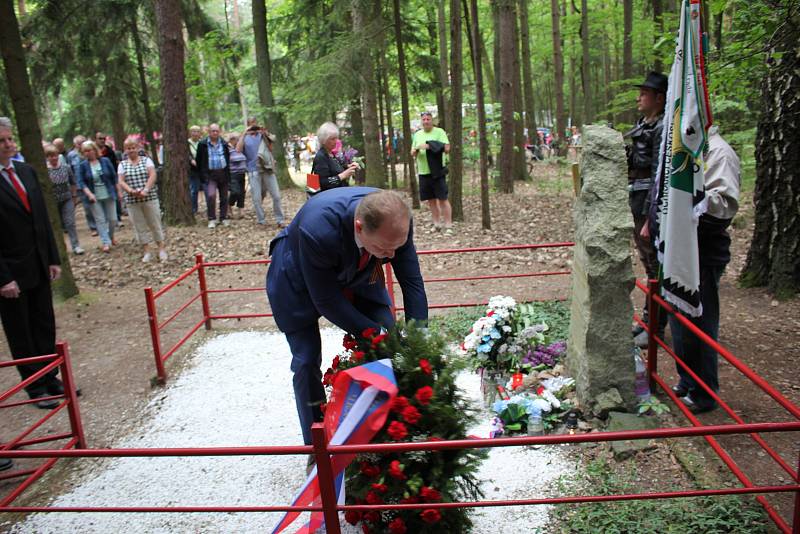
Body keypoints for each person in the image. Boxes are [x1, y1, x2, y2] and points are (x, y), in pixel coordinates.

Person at [266, 188, 428, 445]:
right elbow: (327, 301)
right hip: (297, 277)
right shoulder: (318, 229)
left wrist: (420, 336)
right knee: (306, 360)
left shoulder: (396, 223)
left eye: (397, 247)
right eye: (386, 248)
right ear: (360, 227)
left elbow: (412, 282)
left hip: (361, 271)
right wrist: (375, 334)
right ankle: (316, 443)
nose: (392, 256)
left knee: (391, 340)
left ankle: (385, 431)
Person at [666, 126, 740, 414]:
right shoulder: (686, 149)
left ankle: (705, 392)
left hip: (704, 251)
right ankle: (688, 379)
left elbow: (724, 206)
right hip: (680, 250)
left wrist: (690, 197)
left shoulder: (719, 153)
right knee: (679, 317)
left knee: (701, 322)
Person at [0, 117, 64, 411]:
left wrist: (52, 257)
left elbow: (42, 219)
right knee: (21, 330)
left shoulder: (25, 171)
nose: (9, 144)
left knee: (44, 322)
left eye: (10, 139)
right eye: (2, 141)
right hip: (11, 272)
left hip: (38, 263)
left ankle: (51, 376)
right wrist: (2, 278)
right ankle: (35, 385)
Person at [624, 71, 668, 347]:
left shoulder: (663, 128)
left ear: (660, 98)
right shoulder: (643, 123)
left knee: (654, 266)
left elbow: (658, 174)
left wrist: (650, 217)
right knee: (648, 263)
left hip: (650, 204)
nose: (639, 97)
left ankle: (654, 329)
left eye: (645, 93)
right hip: (637, 198)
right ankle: (649, 322)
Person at [117, 137, 167, 263]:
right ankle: (147, 250)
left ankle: (161, 249)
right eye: (128, 148)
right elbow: (121, 181)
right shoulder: (122, 165)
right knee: (139, 225)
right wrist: (130, 191)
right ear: (125, 150)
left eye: (133, 147)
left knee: (155, 222)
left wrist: (145, 190)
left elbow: (152, 175)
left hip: (149, 197)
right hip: (132, 200)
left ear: (138, 148)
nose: (131, 150)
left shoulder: (146, 161)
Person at [236, 117, 285, 228]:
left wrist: (264, 133)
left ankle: (280, 220)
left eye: (255, 124)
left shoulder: (262, 135)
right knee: (257, 198)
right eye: (251, 124)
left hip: (267, 169)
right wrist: (245, 133)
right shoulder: (245, 137)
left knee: (276, 196)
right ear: (247, 124)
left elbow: (271, 148)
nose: (254, 126)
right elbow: (238, 150)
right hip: (253, 171)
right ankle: (261, 220)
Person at [410, 111, 452, 233]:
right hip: (423, 171)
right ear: (421, 121)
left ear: (432, 120)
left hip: (437, 171)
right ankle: (436, 224)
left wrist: (429, 146)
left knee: (443, 198)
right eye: (424, 119)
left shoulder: (440, 132)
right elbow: (412, 152)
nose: (426, 121)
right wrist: (416, 149)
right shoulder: (417, 134)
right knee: (431, 200)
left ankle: (448, 226)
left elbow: (447, 148)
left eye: (428, 119)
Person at [76, 140, 118, 252]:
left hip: (109, 193)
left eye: (89, 150)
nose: (87, 153)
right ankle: (106, 242)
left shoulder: (105, 161)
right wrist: (89, 194)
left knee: (113, 219)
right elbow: (81, 182)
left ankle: (110, 235)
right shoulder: (83, 166)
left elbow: (114, 177)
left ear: (94, 150)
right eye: (84, 151)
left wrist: (119, 191)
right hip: (94, 196)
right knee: (100, 220)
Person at [44, 144, 83, 255]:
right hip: (52, 202)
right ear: (47, 157)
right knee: (56, 225)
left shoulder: (66, 167)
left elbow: (73, 182)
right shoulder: (45, 170)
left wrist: (74, 196)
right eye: (51, 156)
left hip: (67, 198)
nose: (54, 158)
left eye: (55, 155)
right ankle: (59, 248)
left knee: (70, 222)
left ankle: (76, 246)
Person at [195, 123, 231, 229]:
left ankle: (223, 217)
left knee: (224, 197)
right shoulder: (202, 144)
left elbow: (228, 158)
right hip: (210, 175)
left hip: (223, 173)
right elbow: (198, 160)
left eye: (217, 131)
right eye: (213, 131)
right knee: (211, 196)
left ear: (219, 132)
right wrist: (202, 174)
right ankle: (212, 218)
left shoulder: (224, 143)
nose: (215, 133)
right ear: (209, 132)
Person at [310, 122, 358, 193]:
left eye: (336, 138)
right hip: (329, 199)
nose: (336, 141)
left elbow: (334, 170)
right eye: (332, 139)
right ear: (323, 140)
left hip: (339, 194)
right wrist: (342, 175)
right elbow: (323, 182)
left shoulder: (331, 154)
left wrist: (349, 167)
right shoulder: (321, 157)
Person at [227, 133, 248, 219]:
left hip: (242, 173)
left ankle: (241, 210)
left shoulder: (241, 148)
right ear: (231, 140)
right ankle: (228, 205)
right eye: (236, 139)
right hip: (232, 174)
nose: (238, 141)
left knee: (242, 192)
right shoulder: (228, 148)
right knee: (235, 192)